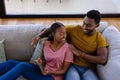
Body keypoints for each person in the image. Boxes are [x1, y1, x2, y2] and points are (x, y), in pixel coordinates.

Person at [31, 10, 109, 80]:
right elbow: (55, 28)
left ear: (97, 25)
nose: (84, 27)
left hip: (88, 69)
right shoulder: (75, 29)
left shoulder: (99, 38)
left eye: (88, 25)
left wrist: (81, 54)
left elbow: (103, 59)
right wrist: (39, 36)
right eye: (84, 23)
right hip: (72, 67)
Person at [0, 22, 73, 80]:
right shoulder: (46, 43)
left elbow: (64, 71)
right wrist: (41, 62)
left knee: (22, 66)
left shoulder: (68, 49)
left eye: (65, 33)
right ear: (53, 34)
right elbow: (46, 61)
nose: (64, 35)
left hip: (52, 77)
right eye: (61, 33)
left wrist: (50, 72)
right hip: (41, 70)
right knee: (10, 63)